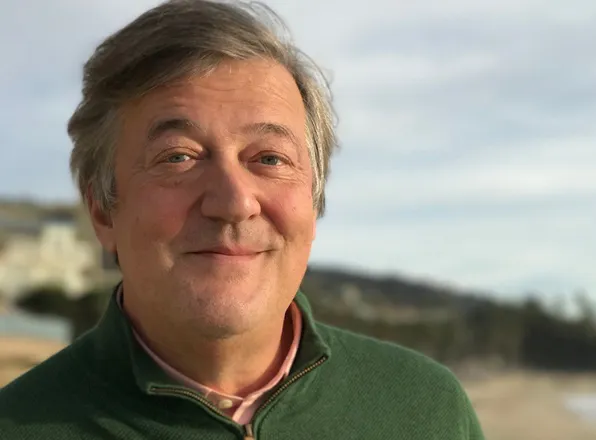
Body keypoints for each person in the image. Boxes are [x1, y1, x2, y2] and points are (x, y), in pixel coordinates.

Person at [0, 1, 485, 439]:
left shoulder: (427, 410)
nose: (234, 202)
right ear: (103, 209)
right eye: (179, 157)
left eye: (270, 158)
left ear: (314, 203)